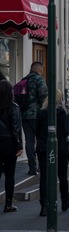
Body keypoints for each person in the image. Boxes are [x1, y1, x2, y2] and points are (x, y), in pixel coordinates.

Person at [35, 89, 69, 216]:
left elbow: (37, 130)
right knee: (62, 176)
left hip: (43, 148)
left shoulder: (41, 113)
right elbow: (67, 131)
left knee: (44, 177)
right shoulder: (63, 113)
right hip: (60, 148)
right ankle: (65, 200)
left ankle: (44, 205)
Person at [19, 62, 47, 176]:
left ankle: (32, 168)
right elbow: (44, 97)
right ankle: (41, 167)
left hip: (24, 115)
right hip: (37, 116)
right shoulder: (39, 79)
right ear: (40, 70)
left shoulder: (23, 80)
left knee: (29, 141)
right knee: (41, 141)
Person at [0, 80, 23, 213]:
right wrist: (19, 145)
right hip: (9, 143)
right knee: (10, 174)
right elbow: (16, 128)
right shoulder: (13, 107)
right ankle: (8, 204)